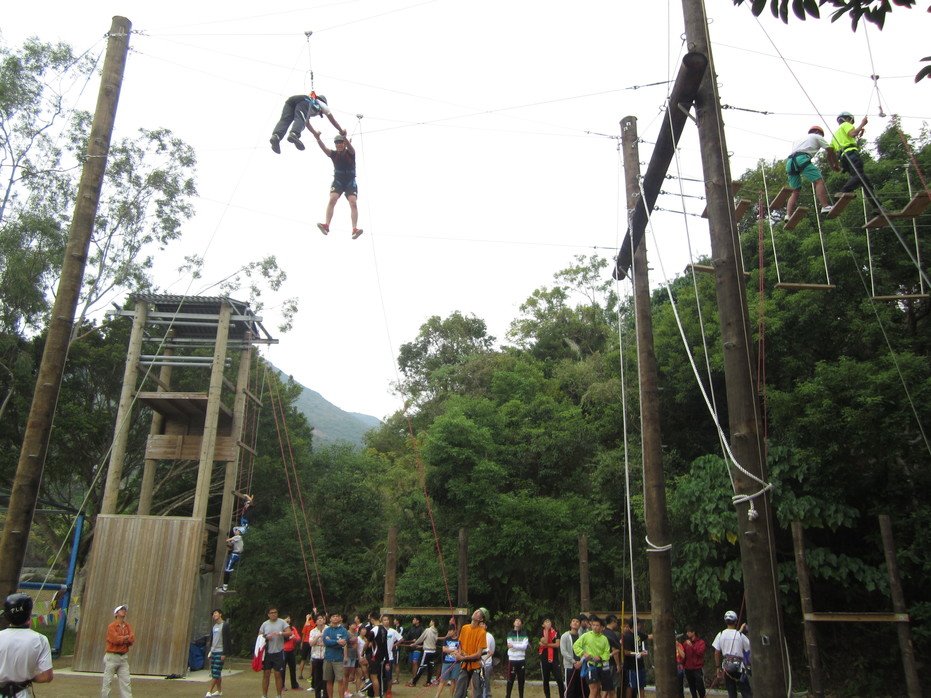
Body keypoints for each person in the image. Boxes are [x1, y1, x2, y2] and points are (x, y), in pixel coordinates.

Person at [308, 126, 363, 239]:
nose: (339, 145)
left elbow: (350, 147)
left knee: (353, 202)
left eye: (341, 142)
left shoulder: (351, 153)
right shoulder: (334, 154)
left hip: (350, 181)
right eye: (337, 143)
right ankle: (326, 225)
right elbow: (324, 149)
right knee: (332, 199)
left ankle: (354, 229)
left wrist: (344, 137)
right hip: (338, 181)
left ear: (344, 144)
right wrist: (318, 138)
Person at [0, 593, 53, 698]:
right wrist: (29, 678)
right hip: (22, 694)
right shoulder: (40, 640)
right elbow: (47, 676)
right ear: (29, 614)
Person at [785, 125, 839, 218]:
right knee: (819, 181)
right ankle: (825, 206)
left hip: (789, 162)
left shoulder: (799, 140)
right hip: (801, 159)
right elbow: (830, 150)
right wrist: (835, 164)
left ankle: (788, 215)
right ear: (818, 132)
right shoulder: (817, 136)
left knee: (795, 191)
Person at [831, 112, 880, 213]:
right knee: (859, 176)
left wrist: (836, 164)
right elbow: (853, 133)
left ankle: (877, 207)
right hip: (851, 154)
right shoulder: (846, 125)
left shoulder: (835, 135)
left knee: (865, 182)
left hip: (844, 158)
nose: (852, 124)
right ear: (848, 119)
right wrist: (862, 123)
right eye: (851, 121)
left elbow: (832, 152)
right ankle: (844, 191)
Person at [270, 93, 345, 154]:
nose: (320, 114)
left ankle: (276, 136)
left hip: (291, 100)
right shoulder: (322, 104)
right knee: (300, 118)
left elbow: (307, 123)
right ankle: (294, 134)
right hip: (304, 100)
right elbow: (333, 121)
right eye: (321, 114)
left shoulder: (312, 103)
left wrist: (315, 133)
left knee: (285, 119)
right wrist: (341, 131)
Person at [451, 607, 488, 698]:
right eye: (476, 611)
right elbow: (460, 644)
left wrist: (463, 658)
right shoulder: (465, 628)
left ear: (481, 619)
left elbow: (478, 654)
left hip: (476, 665)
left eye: (479, 613)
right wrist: (459, 653)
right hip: (465, 665)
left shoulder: (482, 632)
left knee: (477, 693)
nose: (475, 612)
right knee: (459, 692)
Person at [712, 611, 751, 698]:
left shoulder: (720, 634)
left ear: (725, 621)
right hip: (740, 668)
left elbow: (716, 652)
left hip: (727, 667)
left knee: (731, 693)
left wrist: (718, 667)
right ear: (736, 621)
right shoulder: (740, 635)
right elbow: (749, 648)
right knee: (746, 692)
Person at [572, 616, 612, 698]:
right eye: (593, 625)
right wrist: (583, 653)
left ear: (601, 627)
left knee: (598, 690)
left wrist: (600, 657)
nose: (595, 627)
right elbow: (576, 645)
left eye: (597, 625)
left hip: (601, 666)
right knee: (593, 690)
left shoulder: (604, 639)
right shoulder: (586, 635)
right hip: (590, 665)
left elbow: (607, 652)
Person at [102, 603, 135, 698]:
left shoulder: (127, 626)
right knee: (107, 681)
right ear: (116, 613)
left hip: (123, 657)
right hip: (112, 656)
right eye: (121, 610)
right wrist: (126, 638)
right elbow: (115, 639)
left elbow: (132, 639)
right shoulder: (112, 626)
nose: (124, 611)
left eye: (124, 610)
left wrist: (123, 639)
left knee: (126, 681)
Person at [259, 606, 291, 698]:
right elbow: (259, 635)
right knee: (266, 674)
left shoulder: (282, 622)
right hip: (267, 653)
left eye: (275, 612)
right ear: (268, 614)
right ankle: (264, 695)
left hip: (279, 652)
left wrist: (280, 633)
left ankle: (278, 695)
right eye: (271, 613)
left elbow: (289, 633)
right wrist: (266, 636)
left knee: (278, 674)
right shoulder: (265, 624)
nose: (274, 614)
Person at [620, 618, 650, 698]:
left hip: (640, 665)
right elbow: (626, 652)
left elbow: (648, 636)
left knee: (641, 685)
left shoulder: (639, 634)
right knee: (631, 686)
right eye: (638, 625)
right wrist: (638, 653)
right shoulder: (627, 636)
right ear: (634, 625)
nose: (640, 626)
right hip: (631, 666)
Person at [206, 608, 231, 698]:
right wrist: (210, 651)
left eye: (216, 613)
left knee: (216, 672)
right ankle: (219, 691)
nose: (214, 615)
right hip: (214, 651)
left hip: (221, 651)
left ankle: (209, 691)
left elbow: (227, 640)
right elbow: (212, 640)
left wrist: (225, 653)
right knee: (216, 672)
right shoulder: (214, 626)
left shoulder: (225, 625)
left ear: (220, 614)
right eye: (213, 614)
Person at [323, 612, 350, 698]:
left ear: (340, 618)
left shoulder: (343, 630)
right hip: (328, 658)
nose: (335, 618)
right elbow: (326, 642)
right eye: (333, 616)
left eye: (337, 616)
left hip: (339, 659)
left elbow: (344, 642)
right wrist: (337, 641)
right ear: (330, 618)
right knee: (329, 681)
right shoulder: (327, 630)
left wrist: (332, 641)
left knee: (340, 680)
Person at [560, 617, 586, 698]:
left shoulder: (582, 637)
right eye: (573, 621)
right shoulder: (565, 636)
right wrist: (573, 661)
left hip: (580, 666)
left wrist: (581, 661)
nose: (575, 623)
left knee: (580, 689)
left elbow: (585, 650)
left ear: (580, 625)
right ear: (570, 624)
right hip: (570, 666)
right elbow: (563, 651)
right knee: (570, 688)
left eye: (577, 621)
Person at [538, 618, 564, 698]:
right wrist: (546, 630)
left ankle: (562, 696)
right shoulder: (541, 632)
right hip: (544, 658)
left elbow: (557, 645)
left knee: (559, 679)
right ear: (543, 625)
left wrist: (546, 645)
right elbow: (545, 640)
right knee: (546, 680)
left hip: (554, 659)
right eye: (546, 622)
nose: (548, 622)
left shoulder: (556, 632)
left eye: (549, 621)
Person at [409, 618, 439, 686]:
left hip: (427, 651)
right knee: (430, 667)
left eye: (431, 621)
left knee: (422, 667)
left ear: (433, 622)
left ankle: (414, 682)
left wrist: (414, 644)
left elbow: (421, 638)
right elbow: (432, 641)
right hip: (433, 651)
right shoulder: (436, 631)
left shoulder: (428, 630)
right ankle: (428, 682)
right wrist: (421, 646)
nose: (430, 622)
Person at [505, 618, 528, 698]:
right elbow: (510, 648)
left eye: (519, 621)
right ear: (514, 623)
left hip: (521, 660)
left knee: (521, 681)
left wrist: (514, 645)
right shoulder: (510, 634)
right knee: (510, 680)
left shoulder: (524, 634)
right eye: (516, 621)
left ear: (521, 624)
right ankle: (508, 696)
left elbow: (524, 647)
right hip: (512, 659)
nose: (518, 622)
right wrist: (518, 646)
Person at [217, 527, 244, 593]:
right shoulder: (236, 539)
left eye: (237, 530)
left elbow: (228, 540)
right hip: (235, 555)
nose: (235, 531)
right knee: (227, 570)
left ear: (239, 532)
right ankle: (224, 587)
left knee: (227, 570)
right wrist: (229, 544)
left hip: (234, 555)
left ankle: (224, 589)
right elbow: (230, 545)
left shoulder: (238, 537)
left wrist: (228, 538)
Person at [682, 626, 706, 698]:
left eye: (688, 632)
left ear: (693, 632)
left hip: (697, 668)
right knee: (691, 686)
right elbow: (683, 654)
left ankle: (702, 696)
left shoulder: (701, 642)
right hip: (688, 668)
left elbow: (700, 653)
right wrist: (683, 664)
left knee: (700, 685)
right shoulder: (686, 643)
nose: (687, 633)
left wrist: (692, 646)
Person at [309, 613, 327, 698]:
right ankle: (318, 695)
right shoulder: (313, 631)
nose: (320, 620)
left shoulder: (328, 629)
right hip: (316, 657)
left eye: (321, 618)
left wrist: (323, 642)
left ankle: (326, 695)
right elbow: (311, 643)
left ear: (324, 620)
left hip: (326, 657)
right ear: (315, 621)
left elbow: (330, 642)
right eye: (318, 619)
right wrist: (317, 637)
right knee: (317, 678)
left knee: (326, 678)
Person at [283, 616, 302, 691]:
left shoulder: (293, 628)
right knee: (282, 669)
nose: (288, 619)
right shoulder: (281, 629)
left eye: (289, 618)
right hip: (283, 651)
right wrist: (290, 638)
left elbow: (298, 638)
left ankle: (294, 685)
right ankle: (281, 685)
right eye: (286, 618)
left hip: (291, 651)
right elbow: (281, 638)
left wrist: (295, 638)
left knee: (293, 668)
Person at [299, 612, 317, 683]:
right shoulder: (316, 624)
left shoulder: (307, 623)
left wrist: (302, 642)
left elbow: (303, 633)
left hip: (306, 642)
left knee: (303, 659)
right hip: (312, 642)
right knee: (311, 660)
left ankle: (300, 674)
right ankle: (311, 675)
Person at [403, 616, 423, 680]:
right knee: (411, 663)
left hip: (417, 648)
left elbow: (423, 638)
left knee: (415, 662)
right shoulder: (411, 628)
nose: (413, 620)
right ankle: (413, 676)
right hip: (411, 648)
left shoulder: (421, 629)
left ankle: (414, 678)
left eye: (414, 619)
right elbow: (407, 637)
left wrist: (417, 641)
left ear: (418, 621)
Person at [481, 618, 495, 698]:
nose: (481, 625)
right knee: (478, 682)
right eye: (480, 624)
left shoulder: (489, 636)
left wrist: (485, 659)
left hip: (487, 663)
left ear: (486, 626)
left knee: (486, 681)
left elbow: (492, 650)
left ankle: (487, 695)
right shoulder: (476, 635)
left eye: (483, 624)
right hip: (477, 662)